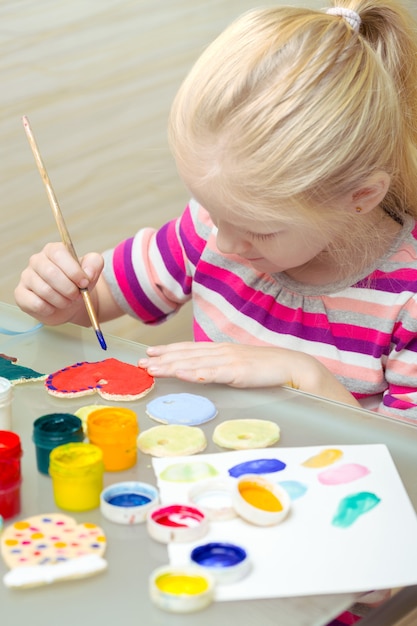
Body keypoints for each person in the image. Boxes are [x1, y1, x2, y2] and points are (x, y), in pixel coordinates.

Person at [15, 0, 417, 424]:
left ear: (360, 195)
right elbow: (96, 303)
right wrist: (61, 299)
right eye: (211, 208)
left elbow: (407, 463)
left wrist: (304, 375)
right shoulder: (208, 229)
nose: (222, 242)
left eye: (259, 230)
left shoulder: (406, 302)